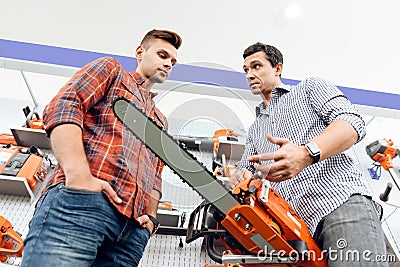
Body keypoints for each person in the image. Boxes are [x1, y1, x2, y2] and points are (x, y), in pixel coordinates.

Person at [21, 29, 182, 267]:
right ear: (140, 52)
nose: (168, 63)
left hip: (131, 232)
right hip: (83, 204)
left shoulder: (160, 120)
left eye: (173, 61)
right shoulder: (113, 72)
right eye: (162, 54)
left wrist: (150, 218)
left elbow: (155, 174)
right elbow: (65, 104)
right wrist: (79, 176)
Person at [229, 42, 388, 266]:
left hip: (339, 206)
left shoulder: (309, 89)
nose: (250, 74)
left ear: (277, 68)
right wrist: (237, 178)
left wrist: (306, 153)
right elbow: (245, 170)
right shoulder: (255, 129)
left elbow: (352, 123)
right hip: (294, 233)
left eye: (256, 66)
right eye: (246, 70)